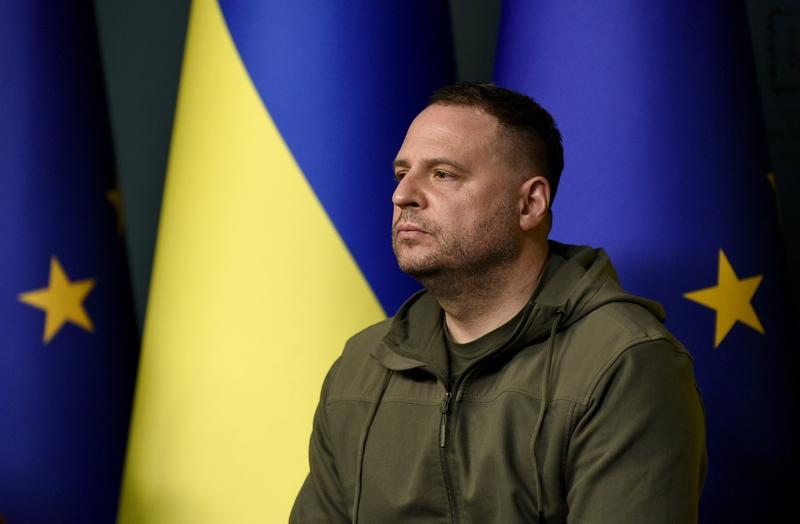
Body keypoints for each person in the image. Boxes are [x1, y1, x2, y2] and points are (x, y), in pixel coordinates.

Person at [290, 82, 706, 523]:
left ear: (529, 203)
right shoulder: (362, 364)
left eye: (442, 174)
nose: (402, 195)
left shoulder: (624, 363)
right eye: (401, 174)